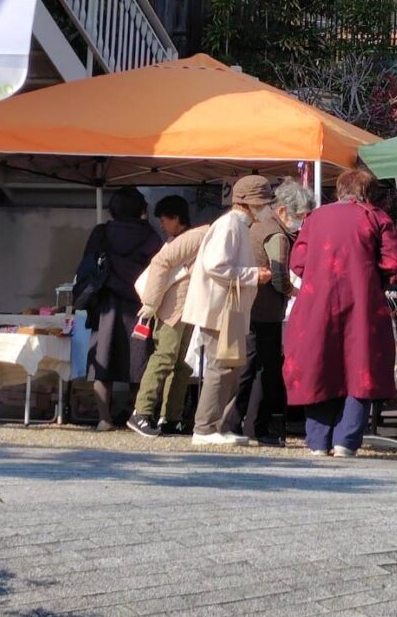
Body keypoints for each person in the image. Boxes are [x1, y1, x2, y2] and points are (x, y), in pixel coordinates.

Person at [283, 168, 397, 457]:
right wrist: (372, 281)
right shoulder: (376, 217)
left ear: (339, 189)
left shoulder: (315, 218)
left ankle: (317, 441)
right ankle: (345, 441)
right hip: (362, 303)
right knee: (360, 368)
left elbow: (297, 262)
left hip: (317, 303)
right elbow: (393, 263)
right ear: (368, 192)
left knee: (319, 364)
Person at [180, 175, 274, 446]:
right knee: (222, 367)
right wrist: (254, 275)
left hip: (226, 307)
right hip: (218, 308)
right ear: (250, 204)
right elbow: (215, 265)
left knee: (230, 367)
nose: (266, 208)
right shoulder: (230, 226)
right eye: (263, 203)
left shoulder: (236, 225)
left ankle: (216, 426)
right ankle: (205, 428)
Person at [222, 179, 314, 446]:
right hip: (265, 311)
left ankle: (235, 423)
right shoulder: (276, 234)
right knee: (263, 370)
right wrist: (292, 291)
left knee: (246, 367)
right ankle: (255, 426)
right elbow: (279, 274)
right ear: (283, 210)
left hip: (248, 306)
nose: (301, 222)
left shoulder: (256, 226)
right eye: (299, 216)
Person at [76, 187, 162, 431]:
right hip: (139, 305)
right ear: (141, 209)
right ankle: (140, 416)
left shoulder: (102, 232)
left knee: (103, 360)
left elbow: (87, 266)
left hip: (106, 304)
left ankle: (104, 419)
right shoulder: (150, 236)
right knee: (140, 362)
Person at [126, 197, 206, 438]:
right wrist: (150, 302)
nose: (161, 224)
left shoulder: (188, 237)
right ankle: (142, 412)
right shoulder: (193, 237)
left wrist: (151, 302)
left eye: (164, 219)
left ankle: (171, 417)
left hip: (182, 305)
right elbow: (161, 264)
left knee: (179, 363)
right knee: (166, 357)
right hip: (173, 307)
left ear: (176, 218)